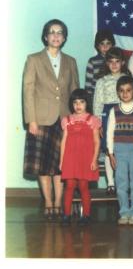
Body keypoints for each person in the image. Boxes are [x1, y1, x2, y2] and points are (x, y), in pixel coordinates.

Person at [23, 19, 79, 221]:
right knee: (43, 165)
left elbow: (75, 93)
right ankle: (48, 202)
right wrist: (32, 120)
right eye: (52, 32)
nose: (56, 36)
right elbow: (28, 92)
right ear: (45, 36)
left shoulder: (71, 61)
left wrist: (76, 120)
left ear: (64, 37)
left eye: (60, 32)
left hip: (64, 120)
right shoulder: (34, 59)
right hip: (41, 119)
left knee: (61, 164)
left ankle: (59, 202)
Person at [107, 76, 133, 225]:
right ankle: (124, 212)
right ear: (118, 93)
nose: (125, 94)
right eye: (122, 91)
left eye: (128, 90)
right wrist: (111, 153)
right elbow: (109, 132)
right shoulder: (114, 111)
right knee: (121, 182)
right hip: (119, 150)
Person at [59, 89, 101, 226]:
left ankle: (87, 215)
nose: (78, 105)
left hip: (85, 159)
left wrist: (94, 160)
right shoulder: (67, 120)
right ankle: (66, 215)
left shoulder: (92, 120)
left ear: (86, 103)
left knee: (83, 186)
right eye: (75, 102)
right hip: (70, 159)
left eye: (81, 102)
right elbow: (64, 141)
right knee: (69, 186)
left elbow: (97, 141)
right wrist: (61, 161)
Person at [93, 47, 128, 195]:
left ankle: (122, 182)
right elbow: (97, 103)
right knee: (109, 150)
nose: (114, 65)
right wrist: (98, 123)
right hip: (107, 115)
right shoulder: (102, 81)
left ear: (123, 63)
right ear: (107, 63)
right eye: (111, 62)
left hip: (125, 114)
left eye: (117, 62)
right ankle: (111, 183)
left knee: (122, 149)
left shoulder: (127, 79)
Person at [85, 29, 116, 104]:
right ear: (97, 46)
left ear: (112, 45)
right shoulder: (92, 61)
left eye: (108, 43)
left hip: (114, 97)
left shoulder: (116, 61)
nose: (105, 47)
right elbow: (88, 86)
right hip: (96, 98)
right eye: (102, 44)